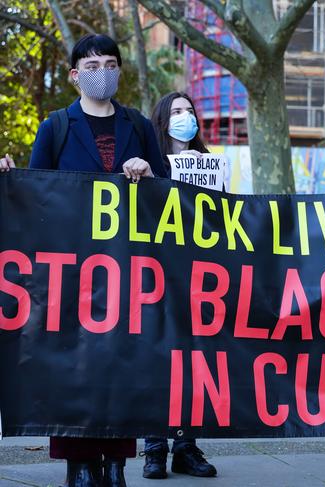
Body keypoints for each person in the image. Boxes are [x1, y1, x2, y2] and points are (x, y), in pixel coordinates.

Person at [2, 34, 167, 487]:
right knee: (71, 363)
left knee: (120, 362)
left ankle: (114, 460)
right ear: (75, 75)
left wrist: (149, 174)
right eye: (92, 65)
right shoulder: (55, 126)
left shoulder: (138, 125)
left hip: (127, 271)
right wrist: (9, 179)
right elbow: (35, 192)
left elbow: (167, 192)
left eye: (110, 63)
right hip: (71, 273)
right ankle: (79, 462)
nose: (102, 71)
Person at [139, 91, 217, 479]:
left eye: (189, 110)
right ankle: (154, 447)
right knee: (158, 363)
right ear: (162, 120)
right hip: (157, 278)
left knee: (195, 363)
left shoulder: (209, 164)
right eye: (176, 111)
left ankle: (187, 447)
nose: (185, 117)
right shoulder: (148, 165)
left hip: (200, 280)